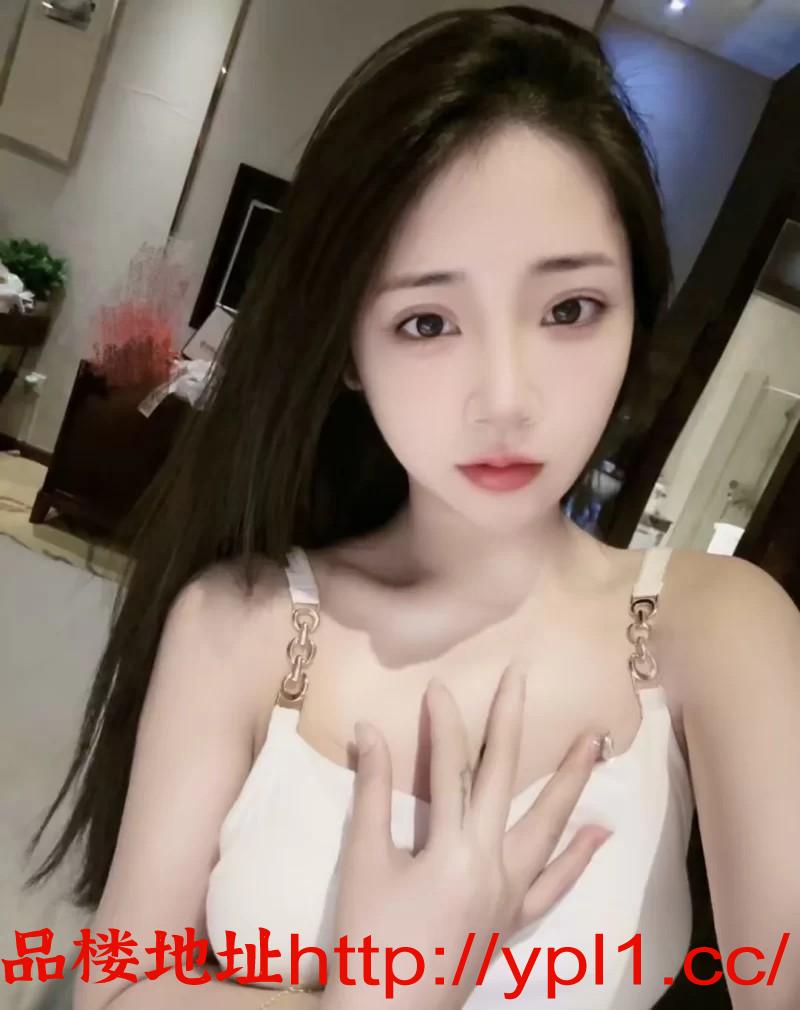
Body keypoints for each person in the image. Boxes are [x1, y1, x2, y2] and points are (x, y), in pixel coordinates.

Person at [25, 6, 800, 1009]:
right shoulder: (241, 622)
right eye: (428, 321)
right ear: (350, 346)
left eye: (568, 309)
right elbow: (116, 990)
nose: (506, 398)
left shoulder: (719, 627)